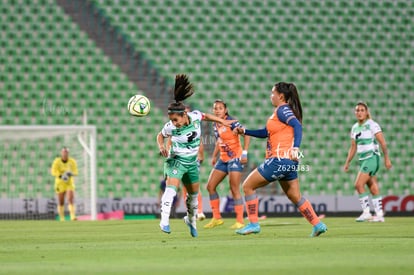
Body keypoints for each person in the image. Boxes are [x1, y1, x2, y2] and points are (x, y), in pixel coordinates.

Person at [233, 82, 327, 237]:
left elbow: (298, 126)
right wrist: (245, 131)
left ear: (280, 96)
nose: (271, 96)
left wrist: (296, 148)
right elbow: (265, 133)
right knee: (294, 195)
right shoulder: (279, 113)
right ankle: (318, 224)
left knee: (248, 186)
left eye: (272, 93)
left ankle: (253, 224)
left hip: (279, 159)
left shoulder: (283, 110)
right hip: (290, 163)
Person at [157, 74, 234, 237]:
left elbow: (207, 116)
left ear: (184, 115)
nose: (174, 123)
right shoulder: (170, 126)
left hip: (192, 163)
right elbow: (160, 135)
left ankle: (190, 221)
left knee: (192, 197)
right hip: (176, 161)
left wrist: (222, 121)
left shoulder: (196, 116)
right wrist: (161, 145)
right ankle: (164, 220)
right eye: (171, 119)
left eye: (176, 119)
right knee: (171, 189)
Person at [204, 99, 250, 230]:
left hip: (235, 158)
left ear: (225, 110)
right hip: (223, 159)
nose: (217, 110)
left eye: (220, 108)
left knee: (234, 188)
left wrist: (245, 153)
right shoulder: (215, 124)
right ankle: (217, 218)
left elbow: (246, 135)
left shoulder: (232, 122)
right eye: (215, 108)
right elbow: (219, 140)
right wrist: (214, 156)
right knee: (210, 186)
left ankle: (240, 221)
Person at [343, 102, 392, 222]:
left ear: (366, 112)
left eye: (362, 110)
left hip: (372, 157)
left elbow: (383, 143)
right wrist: (347, 161)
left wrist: (387, 158)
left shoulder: (372, 125)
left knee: (358, 184)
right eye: (357, 110)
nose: (359, 112)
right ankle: (379, 214)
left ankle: (366, 213)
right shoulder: (354, 128)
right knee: (372, 186)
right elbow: (353, 147)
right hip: (363, 160)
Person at [50, 147, 78, 221]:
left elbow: (76, 172)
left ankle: (72, 216)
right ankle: (62, 218)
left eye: (66, 152)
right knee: (61, 201)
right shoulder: (57, 161)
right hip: (60, 183)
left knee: (70, 198)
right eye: (64, 152)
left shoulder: (72, 161)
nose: (65, 153)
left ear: (68, 153)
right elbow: (53, 171)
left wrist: (70, 173)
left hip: (69, 182)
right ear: (61, 153)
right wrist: (61, 176)